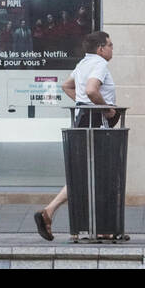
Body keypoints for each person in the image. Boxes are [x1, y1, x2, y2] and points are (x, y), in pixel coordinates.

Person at [34, 31, 116, 241]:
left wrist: (81, 102)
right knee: (98, 173)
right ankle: (98, 227)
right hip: (96, 120)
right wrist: (106, 108)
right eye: (110, 45)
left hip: (82, 118)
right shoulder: (99, 63)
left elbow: (66, 85)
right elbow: (91, 90)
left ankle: (51, 212)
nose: (112, 48)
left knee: (84, 174)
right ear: (100, 49)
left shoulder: (82, 64)